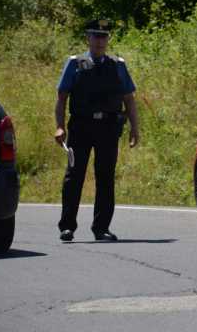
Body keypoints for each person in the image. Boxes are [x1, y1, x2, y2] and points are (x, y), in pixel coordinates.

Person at [54, 19, 140, 242]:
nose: (100, 41)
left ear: (107, 39)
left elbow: (129, 98)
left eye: (104, 36)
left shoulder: (117, 65)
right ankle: (67, 226)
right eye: (96, 36)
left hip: (108, 127)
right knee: (74, 176)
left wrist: (134, 128)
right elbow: (62, 97)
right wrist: (59, 126)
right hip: (81, 126)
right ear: (88, 38)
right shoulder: (75, 63)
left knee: (105, 177)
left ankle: (101, 228)